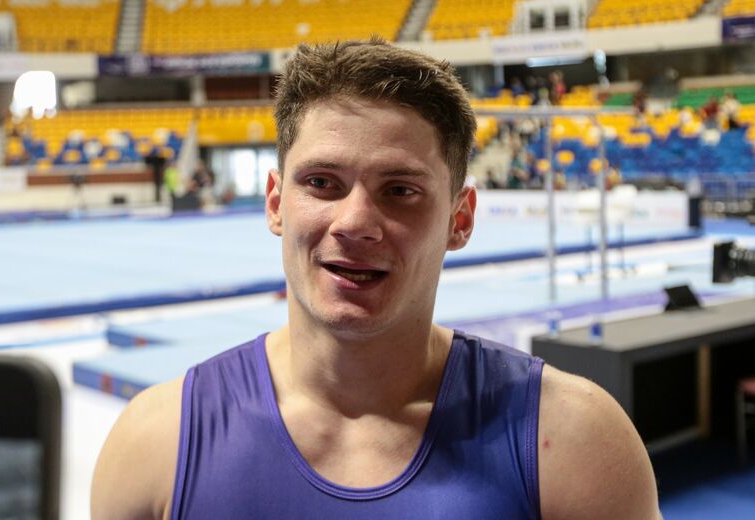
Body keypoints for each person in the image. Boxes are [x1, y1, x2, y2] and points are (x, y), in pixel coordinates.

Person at [91, 38, 661, 520]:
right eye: (321, 183)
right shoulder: (156, 443)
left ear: (459, 220)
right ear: (275, 203)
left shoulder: (575, 441)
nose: (356, 223)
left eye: (400, 191)